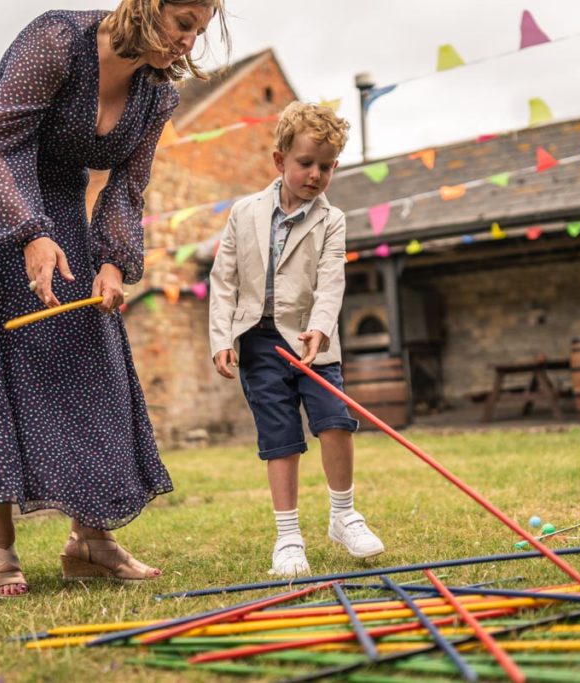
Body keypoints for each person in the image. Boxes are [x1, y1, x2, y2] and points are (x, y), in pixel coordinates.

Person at [0, 1, 230, 598]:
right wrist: (28, 232)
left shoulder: (158, 95)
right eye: (183, 23)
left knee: (88, 351)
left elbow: (128, 186)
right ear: (148, 6)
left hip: (57, 201)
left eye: (199, 31)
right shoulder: (59, 39)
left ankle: (90, 541)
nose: (188, 42)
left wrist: (111, 261)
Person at [208, 102, 385, 577]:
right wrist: (221, 338)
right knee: (279, 438)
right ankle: (288, 537)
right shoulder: (243, 213)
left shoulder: (332, 220)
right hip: (260, 344)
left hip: (313, 340)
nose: (315, 175)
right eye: (306, 163)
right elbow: (224, 280)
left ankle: (343, 515)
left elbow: (331, 282)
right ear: (279, 160)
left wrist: (321, 328)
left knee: (335, 421)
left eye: (325, 166)